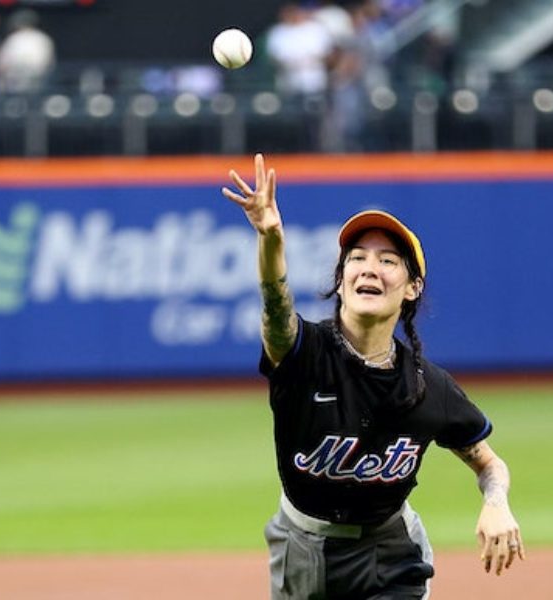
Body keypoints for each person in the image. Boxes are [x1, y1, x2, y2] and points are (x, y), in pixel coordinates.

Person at [222, 154, 525, 599]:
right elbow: (274, 308)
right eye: (357, 258)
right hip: (301, 550)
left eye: (388, 261)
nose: (369, 267)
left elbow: (488, 463)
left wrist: (496, 504)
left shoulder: (428, 387)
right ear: (342, 279)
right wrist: (270, 239)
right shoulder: (304, 355)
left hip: (390, 554)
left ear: (412, 287)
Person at [0, 9, 55, 93]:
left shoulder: (14, 38)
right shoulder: (43, 38)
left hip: (16, 84)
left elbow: (0, 66)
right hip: (37, 85)